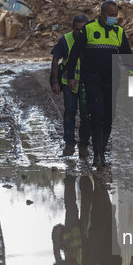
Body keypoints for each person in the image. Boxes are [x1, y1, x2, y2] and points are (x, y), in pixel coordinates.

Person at [65, 1, 133, 167]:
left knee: (109, 116)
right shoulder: (89, 29)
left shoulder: (118, 31)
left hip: (111, 79)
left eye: (115, 15)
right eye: (111, 15)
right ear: (102, 13)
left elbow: (127, 56)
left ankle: (101, 148)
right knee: (97, 114)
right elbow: (74, 53)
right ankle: (98, 154)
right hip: (92, 79)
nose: (113, 18)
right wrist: (71, 76)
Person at [50, 14, 91, 158]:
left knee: (86, 115)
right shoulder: (65, 40)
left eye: (82, 29)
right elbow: (55, 60)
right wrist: (55, 81)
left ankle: (84, 145)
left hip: (87, 83)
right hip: (69, 82)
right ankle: (69, 144)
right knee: (70, 113)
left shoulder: (92, 39)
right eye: (76, 29)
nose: (79, 32)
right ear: (73, 28)